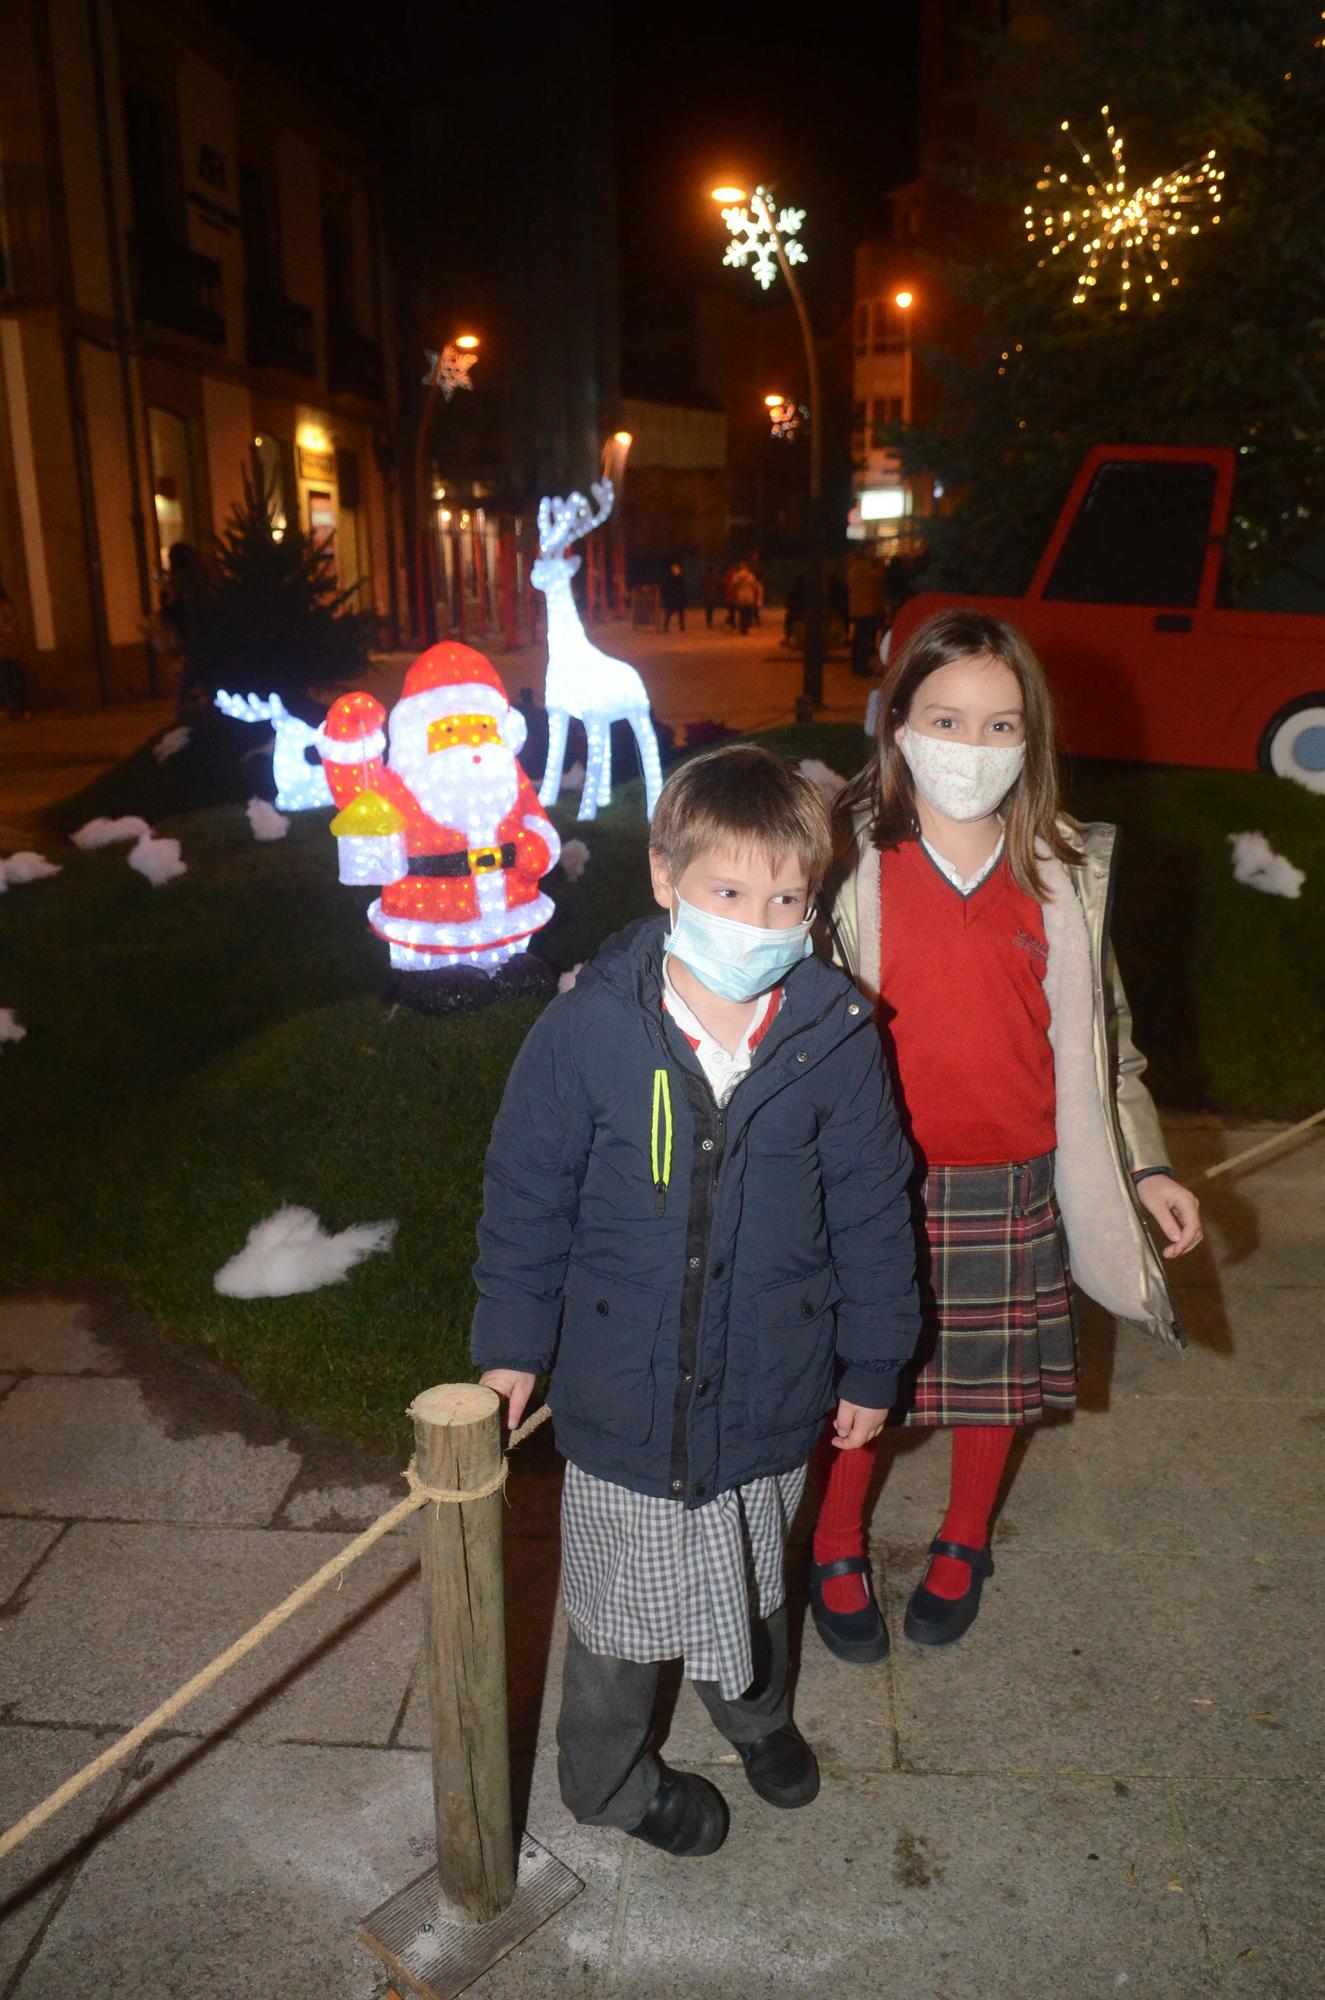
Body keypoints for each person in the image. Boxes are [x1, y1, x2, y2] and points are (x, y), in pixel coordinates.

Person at [473, 745, 918, 1856]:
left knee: (755, 1583)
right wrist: (511, 1345)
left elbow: (873, 1204)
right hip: (623, 1398)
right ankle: (607, 1780)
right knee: (617, 1627)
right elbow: (526, 1194)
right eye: (727, 891)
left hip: (769, 1383)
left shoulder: (833, 1036)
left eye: (786, 897)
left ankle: (752, 1712)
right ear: (665, 878)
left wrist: (873, 1360)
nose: (757, 919)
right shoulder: (587, 1030)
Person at [808, 609, 1203, 1665]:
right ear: (893, 722)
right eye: (943, 717)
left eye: (999, 725)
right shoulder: (842, 857)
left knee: (994, 1383)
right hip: (873, 1182)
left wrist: (1145, 1160)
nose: (970, 747)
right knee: (864, 1383)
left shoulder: (1061, 866)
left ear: (1032, 739)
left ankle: (963, 1537)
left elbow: (1101, 1036)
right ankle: (834, 1541)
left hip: (1012, 1174)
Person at [847, 549, 888, 677]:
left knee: (859, 638)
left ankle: (858, 666)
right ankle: (862, 667)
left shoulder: (853, 566)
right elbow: (879, 578)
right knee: (865, 638)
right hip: (868, 607)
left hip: (858, 607)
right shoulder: (867, 567)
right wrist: (880, 565)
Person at [0, 583, 31, 718]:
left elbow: (9, 625)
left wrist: (4, 631)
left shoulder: (4, 607)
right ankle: (18, 708)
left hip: (6, 648)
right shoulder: (7, 606)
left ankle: (13, 707)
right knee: (11, 677)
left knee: (9, 677)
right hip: (9, 648)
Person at [730, 561, 758, 635]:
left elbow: (733, 585)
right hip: (749, 596)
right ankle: (746, 626)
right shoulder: (751, 576)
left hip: (740, 596)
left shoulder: (736, 576)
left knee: (742, 613)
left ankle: (743, 627)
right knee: (748, 612)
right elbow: (755, 587)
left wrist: (734, 593)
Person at [660, 561, 688, 634]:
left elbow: (664, 589)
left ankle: (669, 626)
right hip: (676, 598)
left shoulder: (671, 579)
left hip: (673, 598)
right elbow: (682, 589)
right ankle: (681, 627)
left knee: (671, 613)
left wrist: (666, 596)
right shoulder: (677, 579)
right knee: (676, 613)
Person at [701, 564, 721, 630]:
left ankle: (708, 623)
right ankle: (710, 623)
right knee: (711, 611)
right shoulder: (715, 577)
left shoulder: (704, 577)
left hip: (706, 596)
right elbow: (718, 586)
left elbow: (702, 587)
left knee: (707, 611)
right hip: (713, 596)